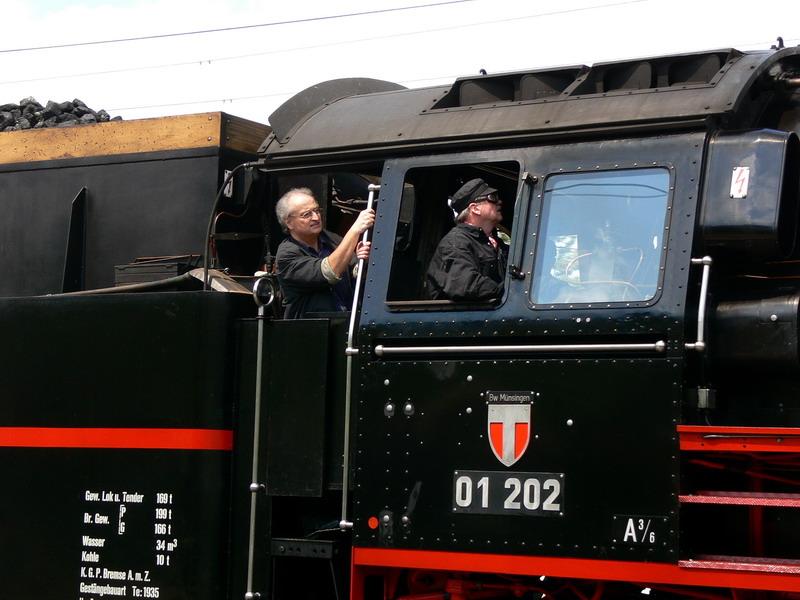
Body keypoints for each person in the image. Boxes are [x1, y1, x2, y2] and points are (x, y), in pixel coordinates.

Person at [275, 187, 374, 318]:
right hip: (313, 331)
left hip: (346, 323)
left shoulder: (331, 239)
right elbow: (329, 272)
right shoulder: (287, 254)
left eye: (316, 210)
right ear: (289, 223)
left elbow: (355, 272)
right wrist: (355, 230)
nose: (316, 217)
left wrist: (362, 259)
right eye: (307, 214)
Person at [425, 178, 508, 301]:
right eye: (492, 198)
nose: (499, 202)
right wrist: (510, 290)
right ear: (475, 208)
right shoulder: (455, 242)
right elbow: (466, 284)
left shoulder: (498, 243)